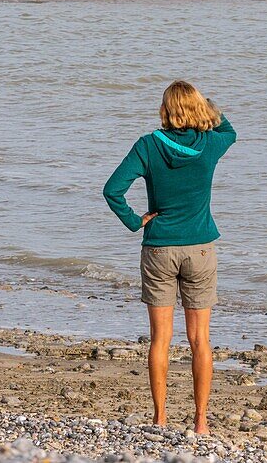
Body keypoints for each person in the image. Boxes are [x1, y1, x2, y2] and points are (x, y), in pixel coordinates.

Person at [102, 80, 236, 434]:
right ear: (197, 110)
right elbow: (229, 129)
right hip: (201, 248)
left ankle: (160, 418)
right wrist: (208, 105)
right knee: (200, 340)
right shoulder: (210, 144)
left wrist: (135, 221)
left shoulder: (148, 145)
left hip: (159, 248)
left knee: (160, 339)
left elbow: (112, 189)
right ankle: (201, 421)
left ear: (165, 110)